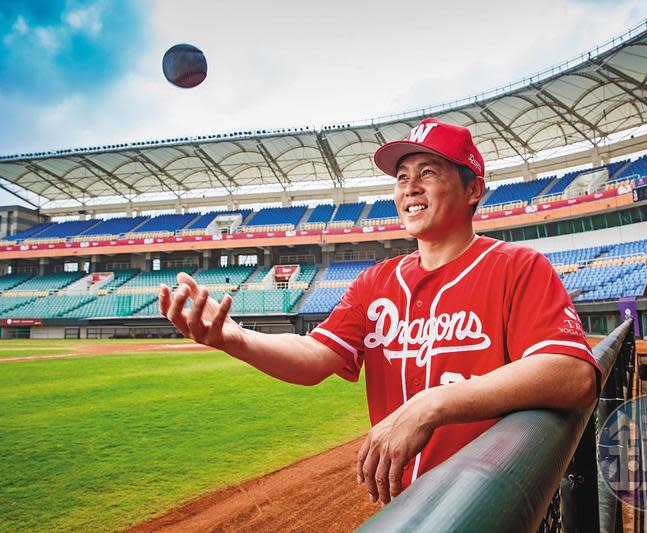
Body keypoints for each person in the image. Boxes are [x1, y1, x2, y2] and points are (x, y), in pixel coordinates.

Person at [159, 117, 600, 506]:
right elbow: (315, 357)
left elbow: (573, 375)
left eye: (429, 172)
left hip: (489, 504)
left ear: (473, 189)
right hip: (405, 509)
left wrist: (431, 405)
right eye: (402, 176)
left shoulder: (517, 266)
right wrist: (234, 338)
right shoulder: (375, 282)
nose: (409, 187)